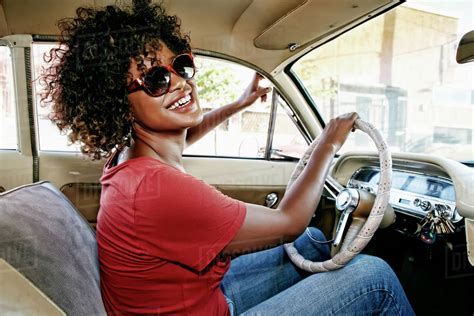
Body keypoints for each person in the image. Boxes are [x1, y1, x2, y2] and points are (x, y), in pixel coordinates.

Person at [41, 1, 415, 315]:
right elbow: (290, 221)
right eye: (156, 80)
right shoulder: (156, 190)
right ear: (118, 105)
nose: (180, 83)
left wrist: (239, 104)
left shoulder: (130, 159)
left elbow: (186, 133)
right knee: (374, 278)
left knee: (314, 243)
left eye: (181, 66)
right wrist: (326, 144)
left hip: (196, 300)